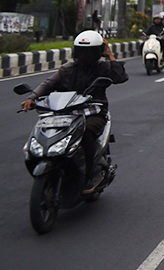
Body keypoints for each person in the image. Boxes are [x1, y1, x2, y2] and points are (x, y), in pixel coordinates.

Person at [20, 31, 128, 193]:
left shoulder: (103, 67)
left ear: (98, 52)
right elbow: (48, 84)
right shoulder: (67, 69)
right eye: (81, 51)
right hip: (65, 113)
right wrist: (32, 98)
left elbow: (120, 77)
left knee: (86, 133)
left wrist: (110, 55)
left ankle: (89, 174)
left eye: (89, 52)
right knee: (44, 129)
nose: (84, 56)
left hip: (93, 113)